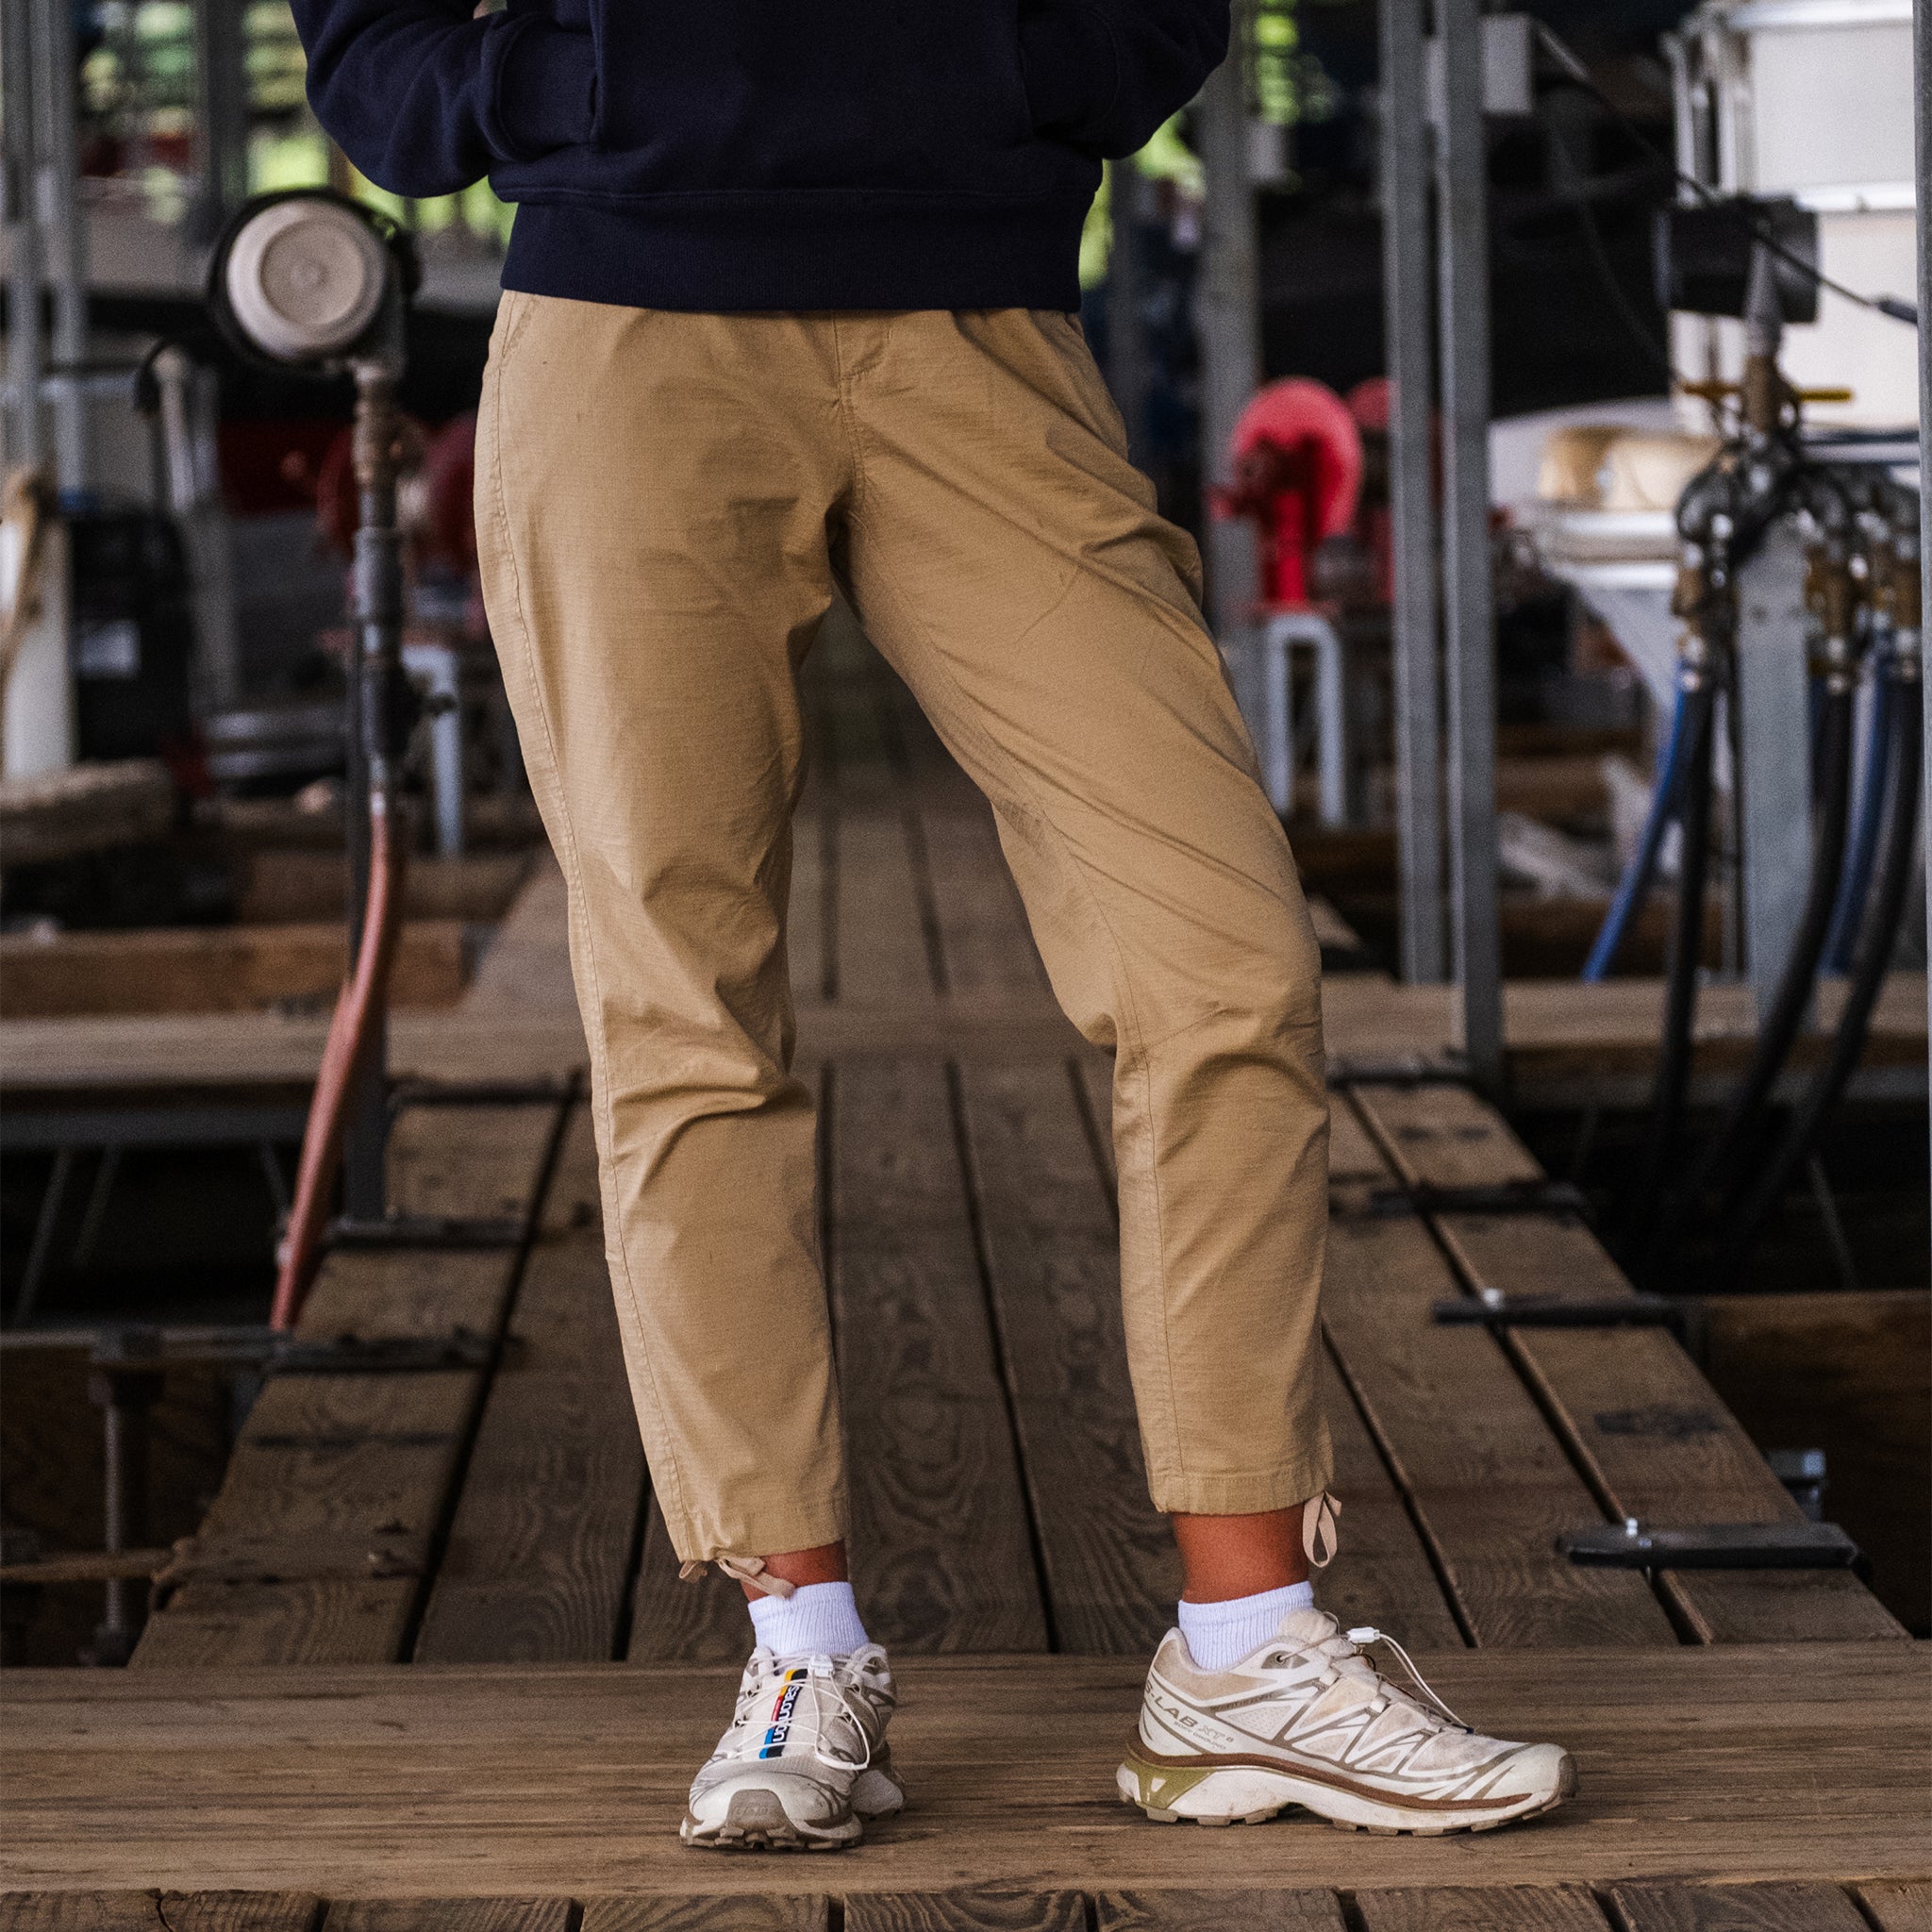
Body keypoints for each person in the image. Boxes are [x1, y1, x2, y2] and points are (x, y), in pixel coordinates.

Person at [290, 0, 1575, 1851]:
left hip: (978, 325)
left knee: (1216, 956)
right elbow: (367, 58)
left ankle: (1245, 1647)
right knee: (685, 1010)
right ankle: (800, 1647)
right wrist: (586, 88)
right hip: (625, 331)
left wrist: (1013, 82)